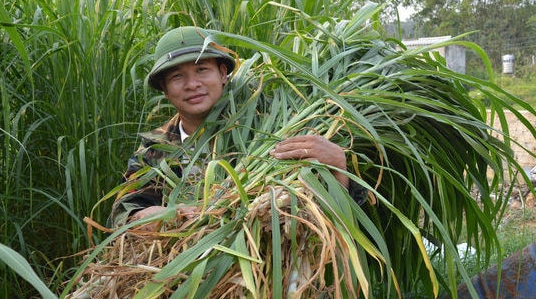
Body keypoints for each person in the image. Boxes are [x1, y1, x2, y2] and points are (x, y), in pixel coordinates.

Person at [108, 25, 360, 230]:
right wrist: (151, 217)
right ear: (164, 89)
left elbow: (338, 218)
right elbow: (123, 213)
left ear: (223, 73)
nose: (192, 84)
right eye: (177, 77)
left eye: (202, 69)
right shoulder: (155, 150)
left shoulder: (271, 129)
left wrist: (339, 167)